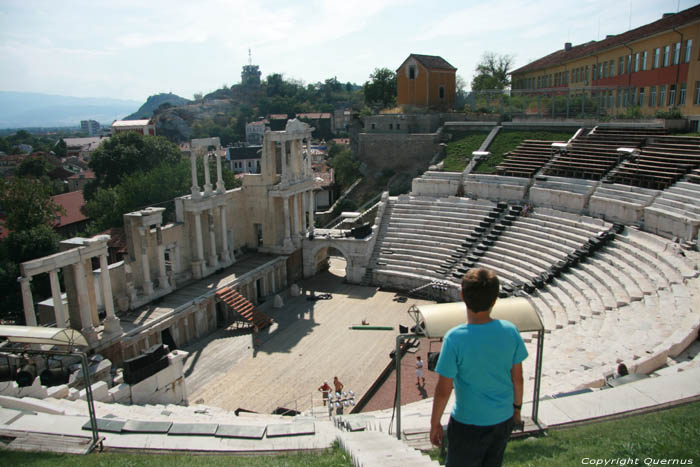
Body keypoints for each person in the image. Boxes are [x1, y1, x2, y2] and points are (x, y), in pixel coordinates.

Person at [430, 268, 528, 467]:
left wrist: (435, 423)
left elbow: (443, 390)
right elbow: (518, 379)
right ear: (495, 299)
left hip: (468, 423)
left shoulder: (454, 338)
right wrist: (516, 410)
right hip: (503, 419)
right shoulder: (510, 331)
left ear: (462, 296)